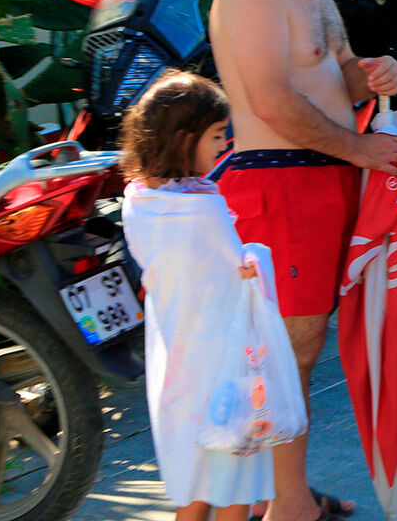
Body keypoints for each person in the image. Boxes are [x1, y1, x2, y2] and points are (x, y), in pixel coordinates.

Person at [208, 0, 397, 521]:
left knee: (302, 349)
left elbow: (334, 73)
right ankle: (282, 503)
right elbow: (270, 100)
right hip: (277, 187)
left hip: (317, 183)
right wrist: (359, 150)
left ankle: (283, 493)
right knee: (282, 355)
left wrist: (375, 72)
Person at [120, 71, 275, 521]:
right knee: (234, 483)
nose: (222, 147)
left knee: (193, 486)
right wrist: (254, 261)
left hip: (175, 356)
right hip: (222, 362)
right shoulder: (202, 205)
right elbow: (237, 269)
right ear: (184, 139)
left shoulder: (138, 200)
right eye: (215, 137)